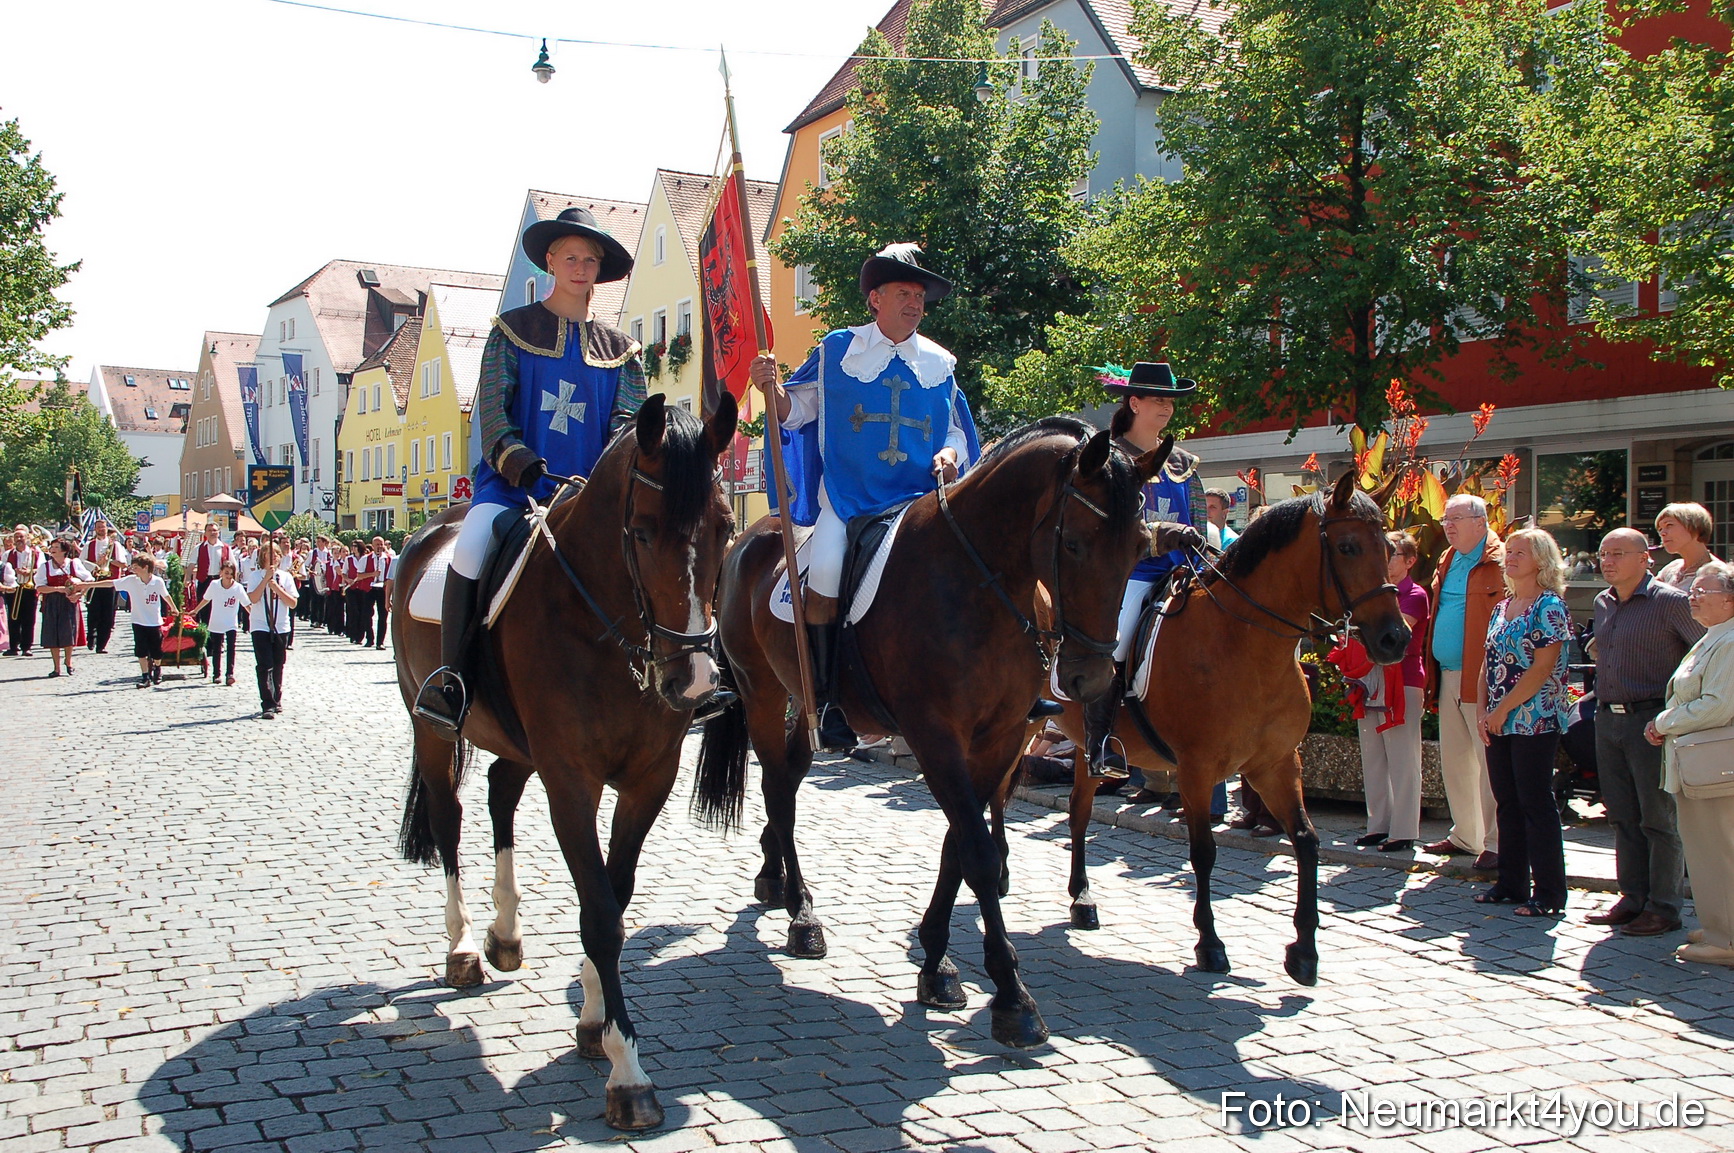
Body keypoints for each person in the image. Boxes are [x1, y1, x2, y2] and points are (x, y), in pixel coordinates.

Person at [418, 206, 648, 736]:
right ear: (550, 261)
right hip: (513, 489)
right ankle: (453, 680)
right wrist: (517, 462)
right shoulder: (511, 332)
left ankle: (677, 676)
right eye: (571, 257)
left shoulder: (622, 351)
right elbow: (493, 413)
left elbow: (629, 424)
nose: (581, 268)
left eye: (590, 260)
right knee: (472, 544)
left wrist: (606, 480)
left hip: (590, 496)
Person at [750, 243, 982, 751]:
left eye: (919, 296)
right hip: (849, 498)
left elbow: (955, 432)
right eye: (903, 294)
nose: (914, 304)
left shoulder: (939, 363)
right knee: (826, 568)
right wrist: (772, 389)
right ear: (875, 299)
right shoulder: (840, 350)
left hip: (918, 501)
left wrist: (949, 454)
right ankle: (828, 697)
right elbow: (798, 412)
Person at [1081, 363, 1207, 807]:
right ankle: (1101, 742)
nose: (1167, 408)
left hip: (1182, 572)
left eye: (1170, 401)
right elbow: (1109, 526)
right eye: (1158, 401)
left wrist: (1197, 556)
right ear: (1134, 403)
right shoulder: (1109, 459)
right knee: (1114, 647)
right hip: (1133, 575)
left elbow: (1199, 520)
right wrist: (1159, 539)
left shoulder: (1185, 465)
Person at [1587, 526, 1705, 937]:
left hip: (1651, 720)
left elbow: (1703, 656)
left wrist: (1682, 715)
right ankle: (1632, 897)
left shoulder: (1671, 603)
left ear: (1644, 559)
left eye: (1618, 553)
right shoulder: (1603, 602)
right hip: (1608, 718)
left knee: (1658, 819)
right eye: (1604, 553)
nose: (1608, 561)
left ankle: (1664, 907)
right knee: (1622, 815)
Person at [1472, 528, 1574, 917]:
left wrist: (1502, 711)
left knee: (1535, 802)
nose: (1510, 558)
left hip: (1535, 719)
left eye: (1520, 553)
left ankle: (1549, 893)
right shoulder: (1502, 607)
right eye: (1509, 552)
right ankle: (1511, 884)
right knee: (1507, 802)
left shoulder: (1550, 607)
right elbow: (1488, 662)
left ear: (1542, 561)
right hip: (1497, 720)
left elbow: (1542, 668)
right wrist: (1483, 711)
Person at [1646, 561, 1734, 966]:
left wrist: (1664, 722)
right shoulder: (1714, 636)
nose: (1692, 597)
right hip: (1703, 763)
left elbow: (1718, 705)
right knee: (1708, 849)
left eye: (1702, 591)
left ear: (1729, 600)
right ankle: (1720, 925)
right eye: (1693, 590)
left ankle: (1725, 938)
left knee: (1716, 851)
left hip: (1714, 766)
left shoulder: (1729, 641)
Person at [1422, 494, 1505, 871]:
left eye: (1455, 519)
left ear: (1480, 522)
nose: (1448, 526)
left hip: (1482, 678)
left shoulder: (1499, 561)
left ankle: (1496, 842)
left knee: (1488, 764)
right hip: (1448, 675)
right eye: (1446, 520)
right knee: (1456, 762)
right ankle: (1466, 836)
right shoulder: (1448, 558)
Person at [1344, 531, 1431, 853]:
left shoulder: (1415, 594)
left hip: (1402, 680)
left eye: (1392, 554)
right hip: (1370, 679)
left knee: (1402, 757)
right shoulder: (1370, 592)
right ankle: (1378, 825)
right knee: (1373, 757)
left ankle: (1404, 830)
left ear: (1409, 561)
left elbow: (1393, 632)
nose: (1386, 559)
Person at [77, 554, 178, 687]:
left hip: (154, 621)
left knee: (156, 651)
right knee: (140, 650)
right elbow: (110, 583)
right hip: (138, 621)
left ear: (145, 567)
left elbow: (166, 595)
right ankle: (145, 676)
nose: (133, 570)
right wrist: (88, 584)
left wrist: (174, 608)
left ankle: (157, 668)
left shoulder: (157, 582)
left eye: (136, 567)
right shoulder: (131, 581)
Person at [247, 541, 298, 718]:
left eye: (276, 554)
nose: (274, 557)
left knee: (278, 664)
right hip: (260, 624)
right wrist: (265, 580)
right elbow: (253, 598)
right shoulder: (255, 576)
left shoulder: (285, 577)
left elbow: (292, 603)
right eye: (270, 554)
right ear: (263, 557)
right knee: (264, 664)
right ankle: (267, 703)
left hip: (280, 625)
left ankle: (277, 698)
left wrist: (277, 588)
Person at [35, 537, 94, 677]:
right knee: (52, 634)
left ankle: (68, 662)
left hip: (69, 602)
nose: (52, 549)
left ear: (64, 550)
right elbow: (40, 588)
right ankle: (56, 667)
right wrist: (58, 589)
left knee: (69, 632)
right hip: (51, 602)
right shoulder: (45, 566)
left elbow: (89, 580)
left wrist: (79, 594)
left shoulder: (74, 563)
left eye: (56, 547)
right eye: (52, 547)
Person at [196, 559, 246, 686]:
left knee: (231, 648)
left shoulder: (238, 588)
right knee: (217, 648)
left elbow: (246, 604)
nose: (229, 576)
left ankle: (230, 673)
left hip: (231, 622)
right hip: (216, 621)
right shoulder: (214, 585)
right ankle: (216, 674)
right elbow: (206, 599)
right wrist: (195, 611)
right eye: (226, 573)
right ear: (221, 573)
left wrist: (255, 617)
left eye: (231, 573)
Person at [82, 519, 127, 654]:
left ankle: (102, 644)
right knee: (93, 612)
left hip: (110, 582)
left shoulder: (116, 545)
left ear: (107, 528)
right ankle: (91, 637)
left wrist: (109, 560)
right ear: (95, 529)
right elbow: (81, 562)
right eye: (99, 527)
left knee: (108, 614)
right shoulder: (89, 545)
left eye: (103, 527)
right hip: (94, 581)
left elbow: (123, 564)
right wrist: (96, 565)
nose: (102, 529)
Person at [1654, 502, 1720, 592]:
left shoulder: (1717, 572)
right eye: (1660, 529)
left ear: (1695, 527)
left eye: (1669, 525)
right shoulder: (1671, 568)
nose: (1662, 533)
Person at [4, 525, 42, 657]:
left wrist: (30, 571)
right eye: (16, 537)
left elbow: (41, 568)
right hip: (13, 588)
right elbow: (2, 569)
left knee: (29, 619)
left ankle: (27, 647)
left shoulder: (36, 553)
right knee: (13, 618)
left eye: (21, 536)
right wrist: (14, 571)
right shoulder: (7, 554)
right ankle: (13, 646)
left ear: (27, 538)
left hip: (29, 589)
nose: (19, 539)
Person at [183, 521, 231, 626]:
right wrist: (187, 578)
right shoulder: (198, 548)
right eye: (209, 530)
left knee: (219, 608)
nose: (212, 532)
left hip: (220, 581)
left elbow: (233, 566)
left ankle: (218, 633)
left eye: (214, 530)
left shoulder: (226, 548)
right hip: (204, 581)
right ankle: (206, 632)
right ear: (205, 533)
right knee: (204, 608)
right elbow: (191, 565)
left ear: (218, 532)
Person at [368, 536, 393, 650]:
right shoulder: (366, 558)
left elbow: (391, 577)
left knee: (383, 616)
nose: (379, 547)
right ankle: (370, 638)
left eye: (381, 544)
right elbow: (359, 575)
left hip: (383, 588)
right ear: (373, 546)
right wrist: (372, 574)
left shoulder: (389, 559)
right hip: (369, 588)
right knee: (367, 615)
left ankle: (380, 642)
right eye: (377, 545)